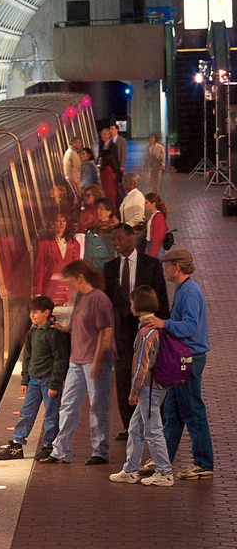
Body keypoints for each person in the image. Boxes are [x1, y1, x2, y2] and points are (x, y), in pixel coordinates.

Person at [112, 191, 168, 439]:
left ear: (131, 239)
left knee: (150, 378)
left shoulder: (150, 265)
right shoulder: (110, 268)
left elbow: (162, 301)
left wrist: (163, 328)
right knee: (124, 378)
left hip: (147, 330)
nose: (116, 243)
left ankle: (152, 423)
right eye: (113, 239)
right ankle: (128, 425)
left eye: (120, 239)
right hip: (122, 335)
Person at [110, 275, 174, 489]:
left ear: (139, 304)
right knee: (136, 428)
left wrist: (134, 390)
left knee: (152, 430)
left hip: (148, 387)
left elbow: (141, 365)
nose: (129, 305)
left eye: (131, 302)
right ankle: (130, 469)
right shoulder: (155, 327)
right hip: (158, 385)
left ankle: (165, 472)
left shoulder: (146, 333)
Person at [52, 261, 115, 466]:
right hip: (76, 360)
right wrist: (66, 328)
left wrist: (97, 361)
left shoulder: (99, 299)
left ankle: (100, 450)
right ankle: (60, 450)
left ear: (80, 277)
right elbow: (82, 324)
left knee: (97, 406)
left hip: (94, 361)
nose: (68, 284)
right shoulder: (80, 297)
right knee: (68, 404)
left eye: (70, 280)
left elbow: (106, 331)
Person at [158, 249, 214, 481]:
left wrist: (163, 323)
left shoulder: (189, 293)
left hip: (188, 359)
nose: (165, 269)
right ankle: (163, 459)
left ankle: (202, 463)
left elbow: (189, 326)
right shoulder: (183, 289)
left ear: (177, 267)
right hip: (184, 358)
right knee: (172, 412)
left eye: (167, 265)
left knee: (192, 411)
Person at [0, 294, 73, 462]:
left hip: (48, 381)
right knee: (27, 411)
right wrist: (25, 379)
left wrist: (55, 384)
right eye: (31, 312)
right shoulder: (32, 333)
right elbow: (27, 357)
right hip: (33, 380)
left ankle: (49, 446)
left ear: (46, 313)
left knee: (51, 415)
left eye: (36, 312)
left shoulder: (54, 335)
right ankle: (17, 444)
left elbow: (59, 361)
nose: (32, 316)